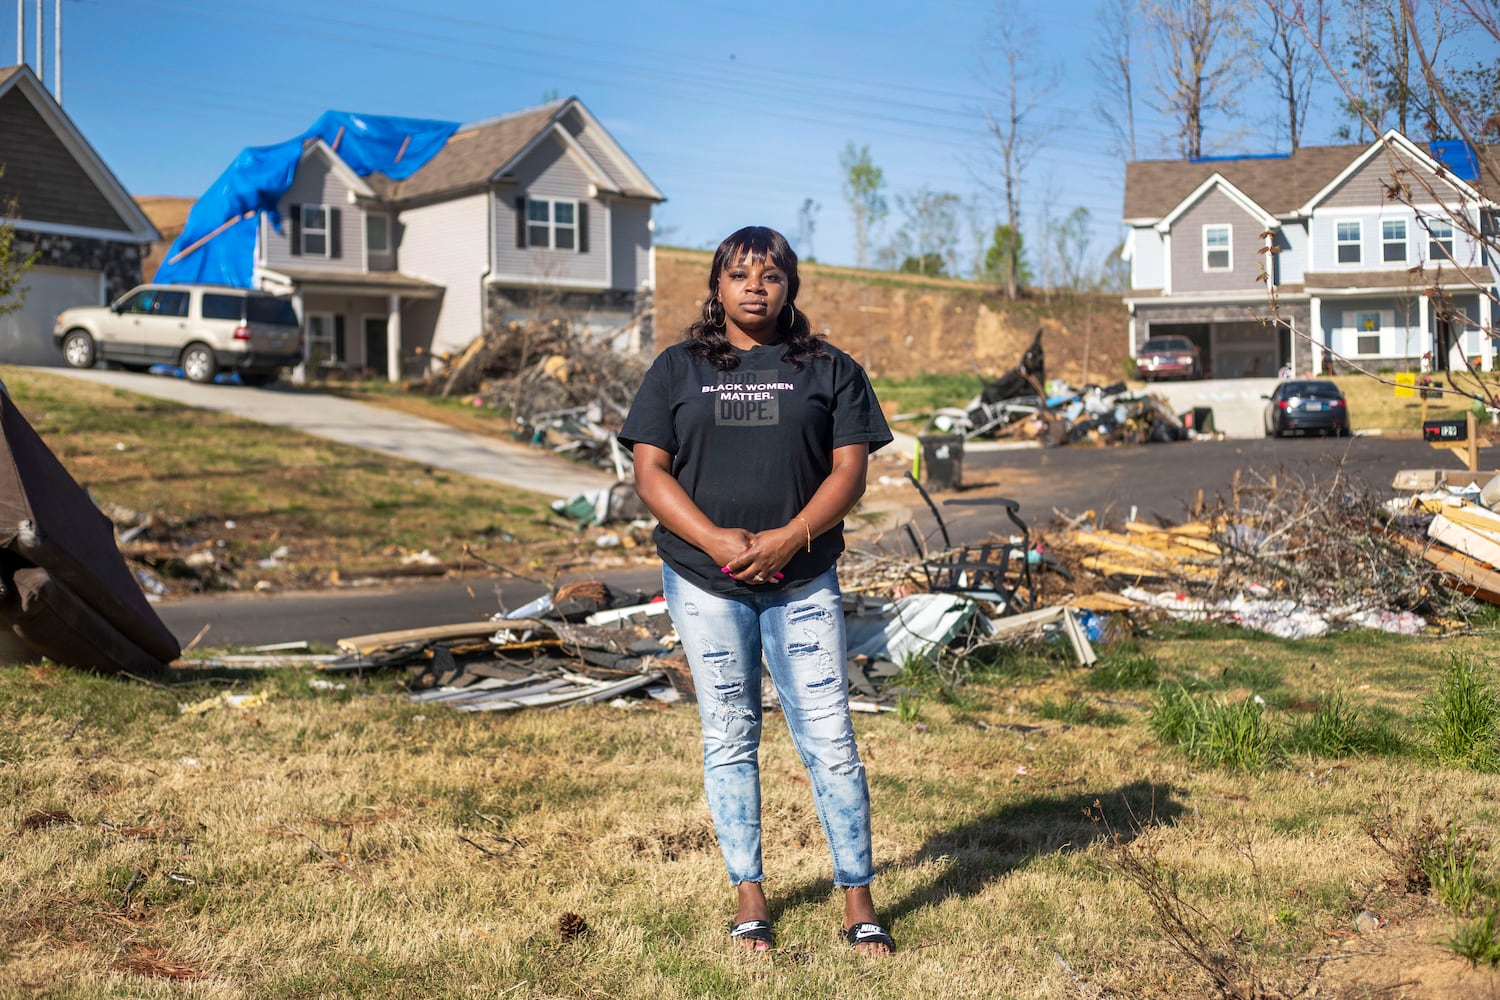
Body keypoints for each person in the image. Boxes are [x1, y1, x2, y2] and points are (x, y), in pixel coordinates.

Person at [619, 226, 895, 957]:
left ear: (790, 286)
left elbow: (850, 473)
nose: (754, 286)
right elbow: (651, 473)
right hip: (705, 581)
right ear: (715, 285)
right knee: (731, 732)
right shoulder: (676, 370)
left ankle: (858, 898)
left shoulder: (830, 369)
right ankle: (750, 896)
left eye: (770, 275)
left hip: (801, 579)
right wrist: (716, 539)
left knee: (830, 735)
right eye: (739, 273)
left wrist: (789, 537)